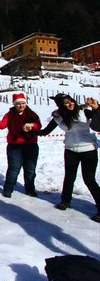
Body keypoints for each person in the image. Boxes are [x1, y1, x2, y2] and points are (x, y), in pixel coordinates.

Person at [31, 94, 100, 223]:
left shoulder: (83, 111)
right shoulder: (58, 116)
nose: (70, 104)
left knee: (89, 179)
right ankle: (65, 201)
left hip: (88, 149)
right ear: (60, 105)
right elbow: (46, 131)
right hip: (70, 149)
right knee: (69, 176)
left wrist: (97, 109)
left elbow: (98, 126)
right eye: (66, 103)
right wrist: (30, 131)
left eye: (71, 101)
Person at [0, 93, 41, 198]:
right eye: (18, 104)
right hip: (14, 145)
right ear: (14, 104)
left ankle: (30, 189)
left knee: (30, 169)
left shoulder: (32, 115)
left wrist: (31, 125)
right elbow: (2, 125)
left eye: (23, 103)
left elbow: (38, 125)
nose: (21, 106)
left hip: (30, 145)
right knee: (14, 168)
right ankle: (8, 189)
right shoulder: (9, 115)